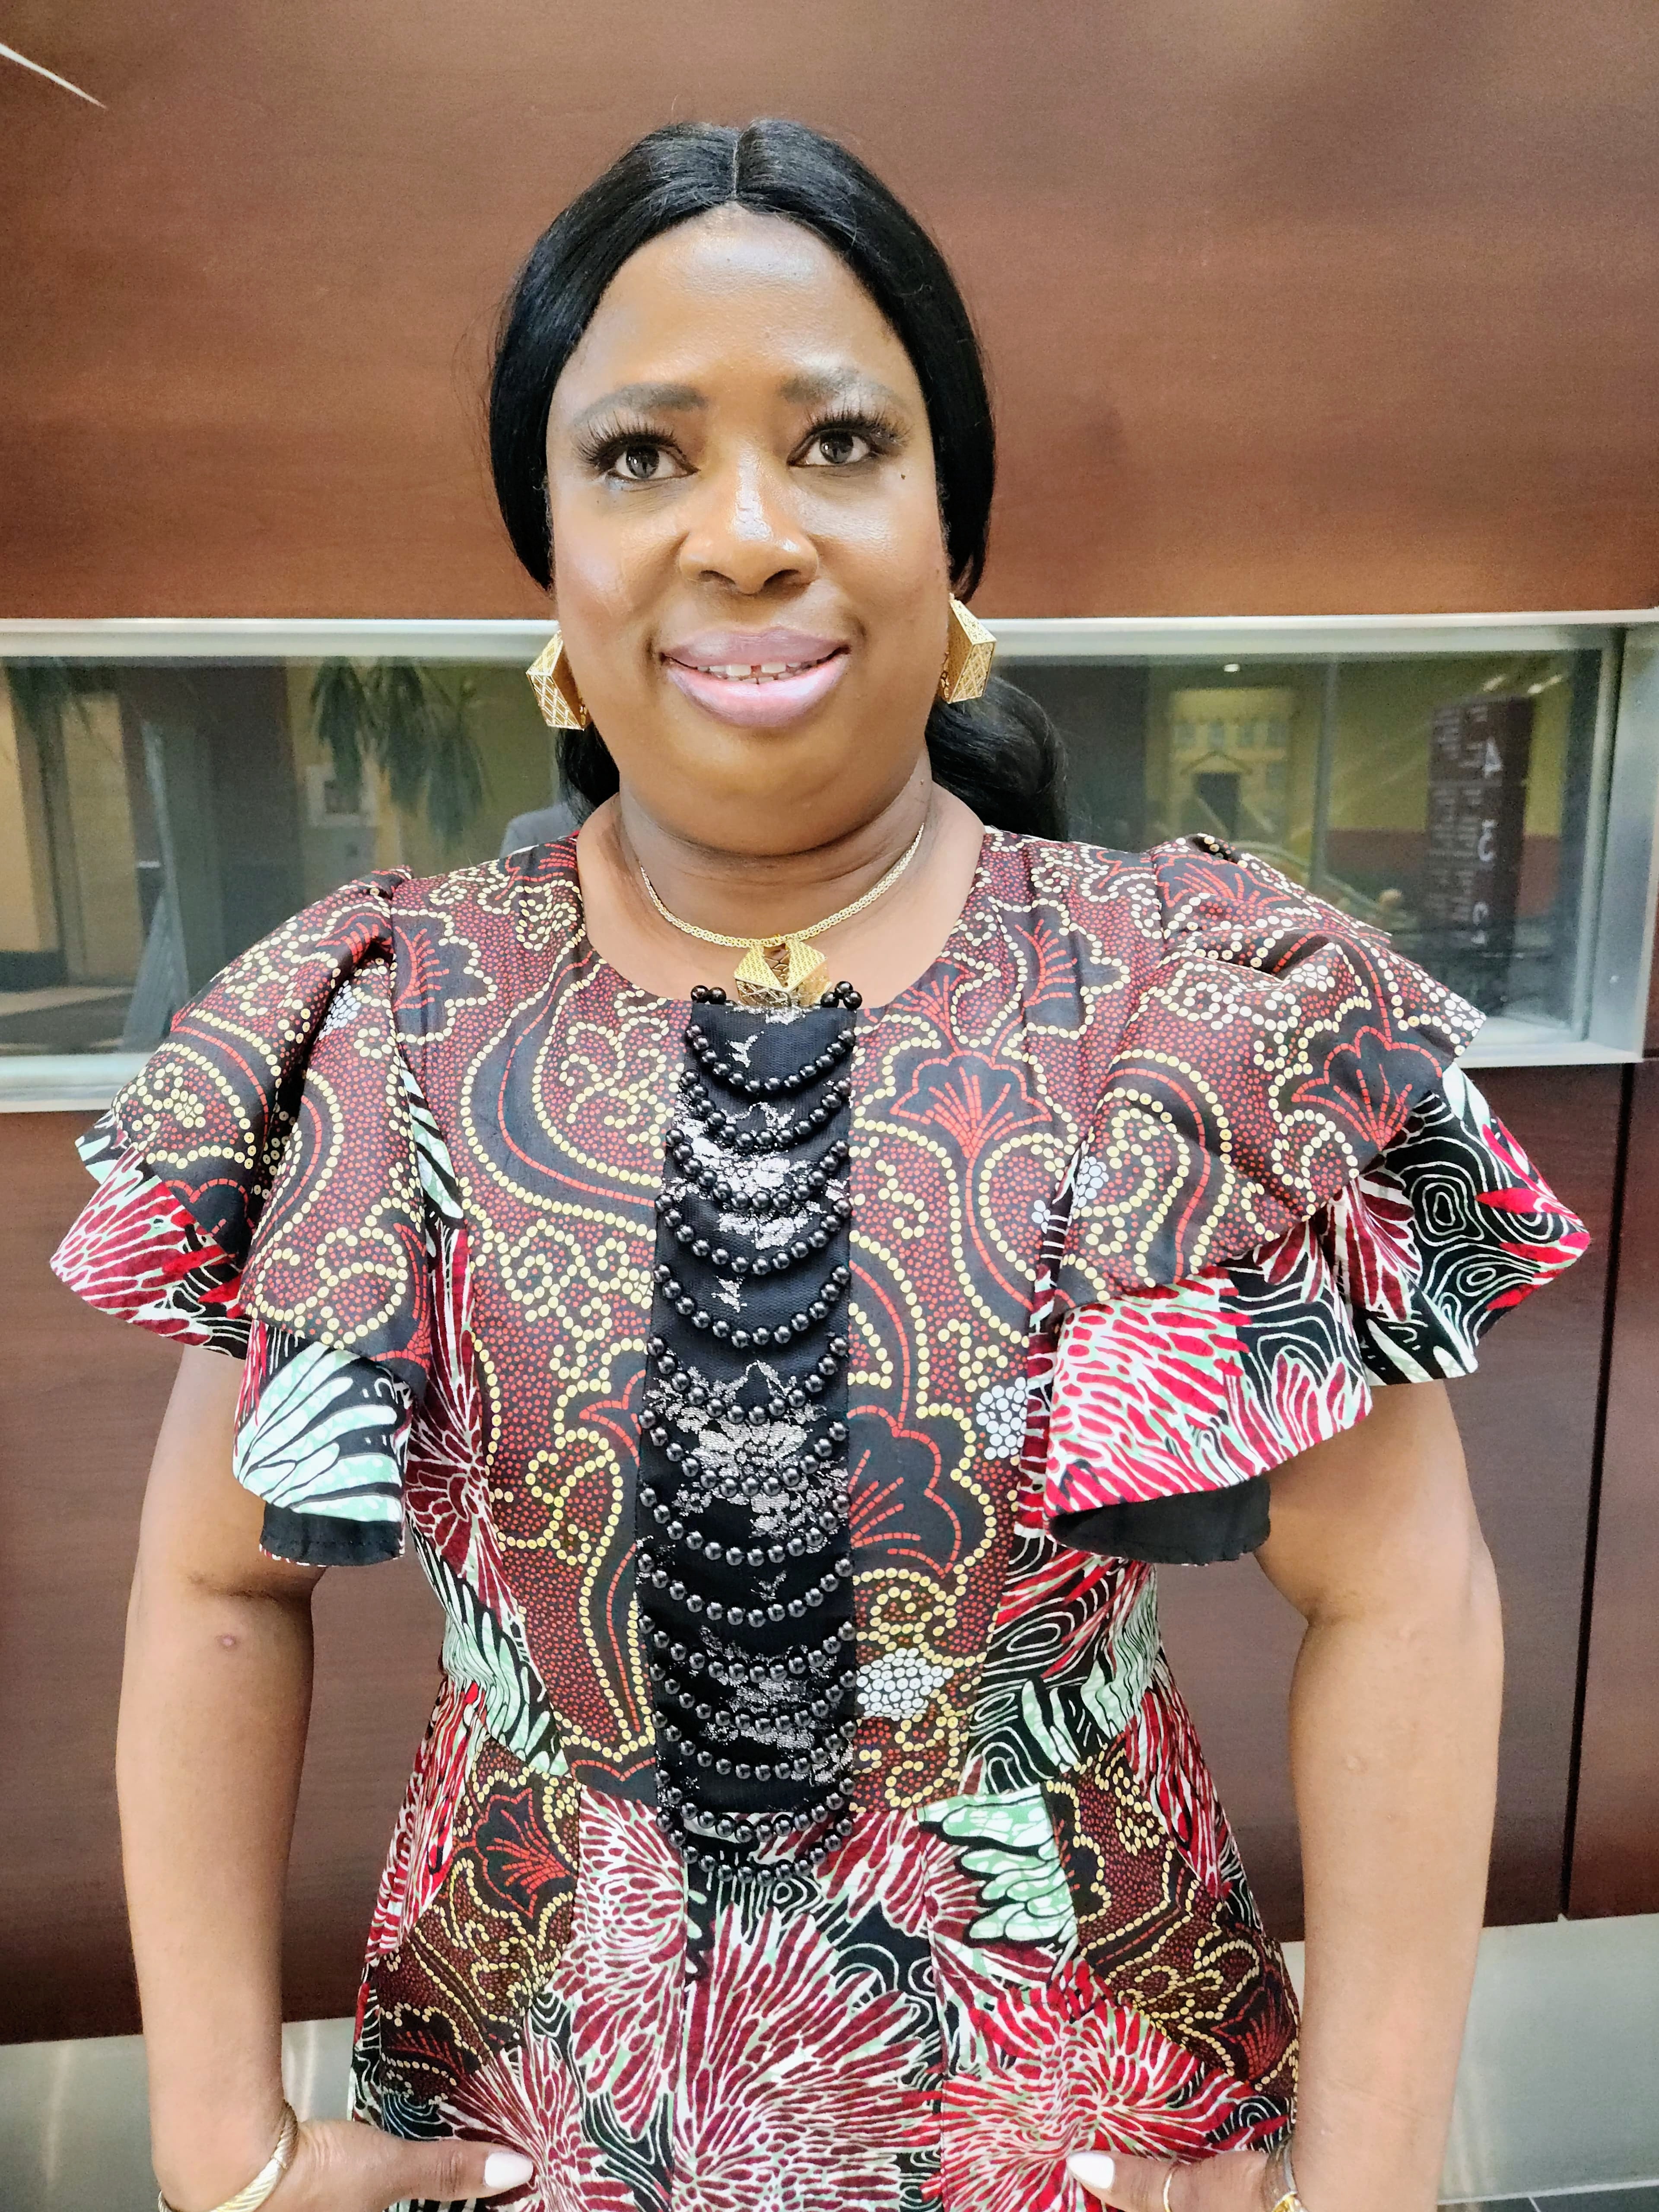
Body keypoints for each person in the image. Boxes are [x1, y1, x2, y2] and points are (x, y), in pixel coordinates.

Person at [54, 120, 1588, 2212]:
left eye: (841, 442)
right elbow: (218, 1576)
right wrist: (215, 2145)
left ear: (953, 531)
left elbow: (1405, 1589)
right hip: (531, 2123)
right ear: (551, 560)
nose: (749, 533)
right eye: (641, 455)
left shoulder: (1184, 1014)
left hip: (1086, 2127)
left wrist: (1371, 2180)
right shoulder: (388, 1029)